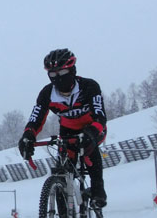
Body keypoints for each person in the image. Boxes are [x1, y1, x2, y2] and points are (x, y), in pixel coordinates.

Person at [18, 48, 108, 208]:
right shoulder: (47, 93)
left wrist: (93, 131)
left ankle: (98, 191)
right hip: (67, 132)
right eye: (52, 74)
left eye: (62, 72)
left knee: (90, 149)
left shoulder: (89, 86)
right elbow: (36, 118)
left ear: (72, 70)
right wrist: (28, 136)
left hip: (92, 128)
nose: (57, 78)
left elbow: (100, 115)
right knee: (62, 170)